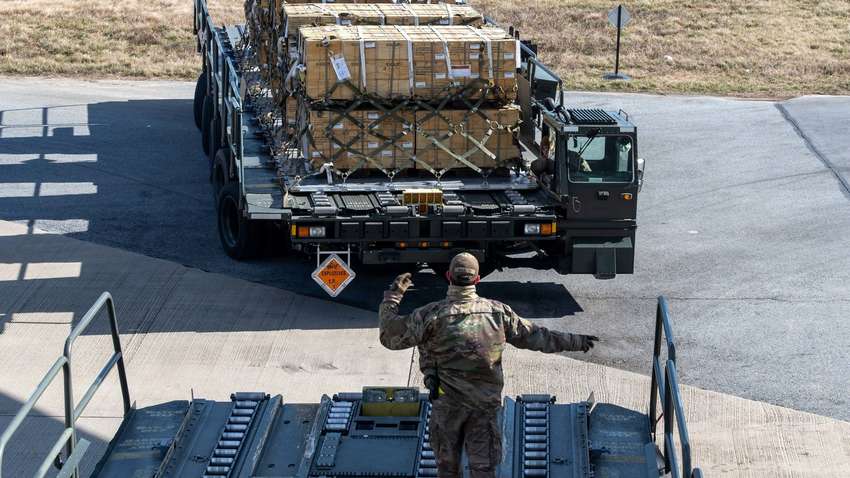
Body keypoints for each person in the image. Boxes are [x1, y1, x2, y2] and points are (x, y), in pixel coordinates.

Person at [378, 252, 599, 478]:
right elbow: (537, 337)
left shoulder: (429, 316)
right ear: (477, 279)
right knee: (483, 469)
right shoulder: (498, 313)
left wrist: (392, 298)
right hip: (483, 408)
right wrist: (577, 341)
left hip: (447, 407)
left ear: (448, 276)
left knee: (447, 469)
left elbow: (389, 336)